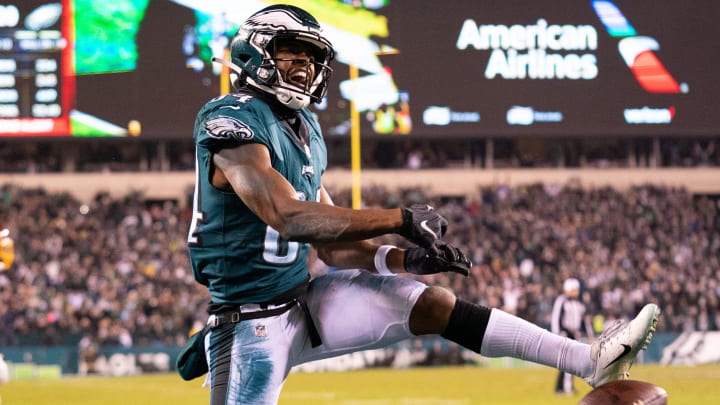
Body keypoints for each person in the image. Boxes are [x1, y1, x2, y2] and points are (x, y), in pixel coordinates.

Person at [185, 5, 660, 404]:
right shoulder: (231, 119)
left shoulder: (303, 130)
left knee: (432, 303)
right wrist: (400, 218)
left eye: (312, 57)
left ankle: (586, 360)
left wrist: (404, 257)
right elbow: (288, 217)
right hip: (247, 325)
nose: (305, 66)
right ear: (256, 51)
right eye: (292, 51)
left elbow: (331, 246)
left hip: (303, 301)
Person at [551, 278, 594, 395]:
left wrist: (590, 335)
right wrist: (557, 334)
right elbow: (556, 318)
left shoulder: (580, 303)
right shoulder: (562, 301)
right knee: (568, 362)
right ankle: (566, 388)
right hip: (565, 334)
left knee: (569, 363)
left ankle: (561, 388)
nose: (577, 291)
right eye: (574, 289)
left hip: (575, 335)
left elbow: (585, 321)